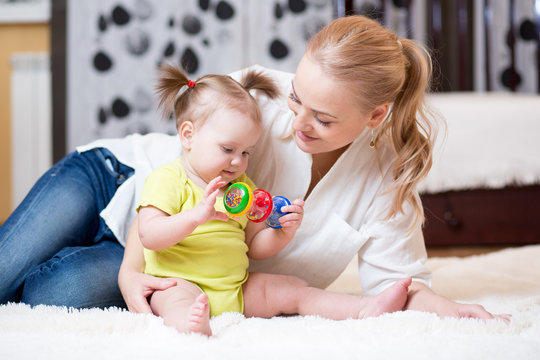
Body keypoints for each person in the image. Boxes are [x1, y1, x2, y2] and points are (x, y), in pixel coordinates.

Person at [0, 15, 509, 323]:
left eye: (323, 118)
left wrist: (452, 311)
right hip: (118, 178)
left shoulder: (383, 181)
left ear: (375, 116)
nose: (298, 122)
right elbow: (184, 147)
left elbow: (401, 285)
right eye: (297, 98)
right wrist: (129, 272)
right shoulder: (259, 92)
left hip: (177, 260)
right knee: (7, 268)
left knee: (53, 293)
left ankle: (79, 252)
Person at [137, 65, 412, 336]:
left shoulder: (242, 188)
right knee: (175, 301)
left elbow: (254, 245)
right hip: (181, 282)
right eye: (228, 149)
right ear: (188, 135)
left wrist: (282, 233)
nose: (237, 161)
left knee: (291, 288)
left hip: (235, 288)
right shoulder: (169, 179)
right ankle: (191, 325)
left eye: (246, 152)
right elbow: (149, 235)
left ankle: (363, 308)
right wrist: (196, 216)